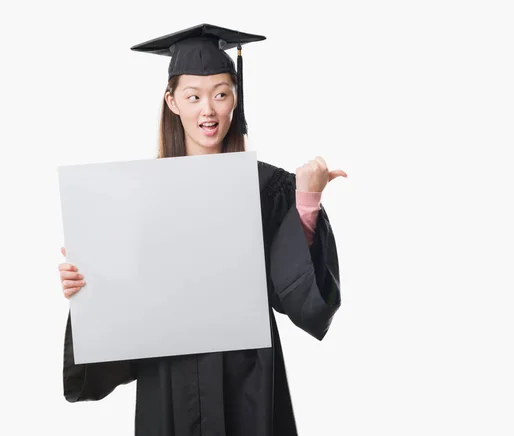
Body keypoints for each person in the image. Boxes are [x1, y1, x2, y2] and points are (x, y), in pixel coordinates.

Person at [59, 23, 346, 436]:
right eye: (193, 96)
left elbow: (297, 296)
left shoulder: (268, 188)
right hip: (170, 375)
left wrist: (306, 204)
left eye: (221, 94)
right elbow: (129, 300)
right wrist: (87, 288)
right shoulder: (134, 195)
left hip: (248, 375)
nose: (207, 110)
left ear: (235, 100)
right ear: (172, 101)